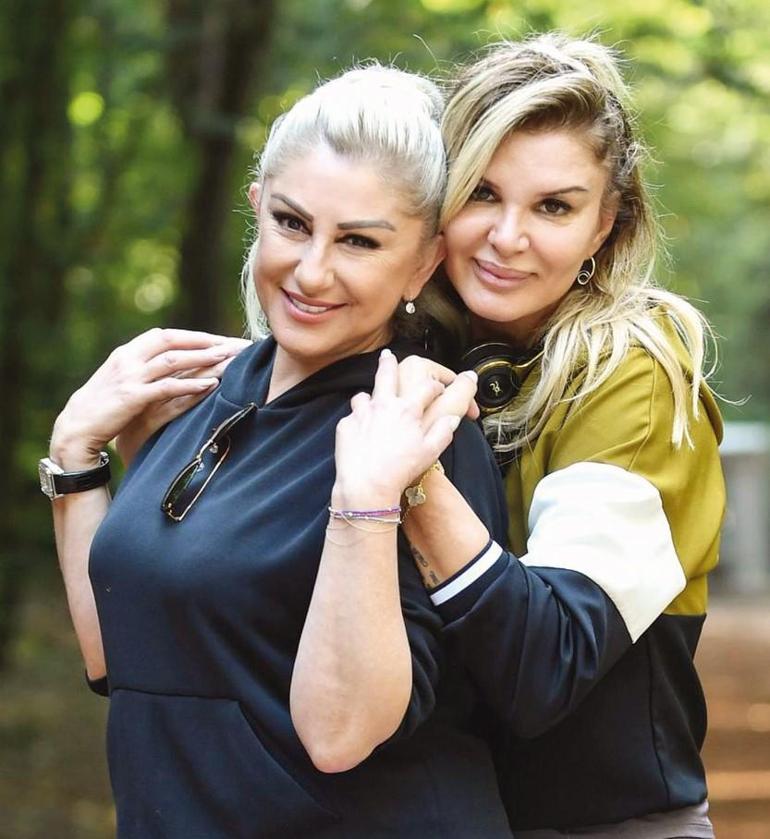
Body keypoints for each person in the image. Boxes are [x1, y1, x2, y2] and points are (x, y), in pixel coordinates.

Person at [42, 65, 515, 838]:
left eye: (359, 240)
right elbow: (121, 660)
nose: (312, 270)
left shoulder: (417, 432)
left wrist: (363, 501)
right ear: (258, 206)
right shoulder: (201, 399)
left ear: (424, 262)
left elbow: (340, 733)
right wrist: (75, 456)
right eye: (292, 223)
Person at [383, 33, 724, 838]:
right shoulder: (408, 355)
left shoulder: (634, 377)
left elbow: (546, 666)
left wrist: (406, 471)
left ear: (606, 225)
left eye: (554, 207)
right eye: (482, 192)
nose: (508, 237)